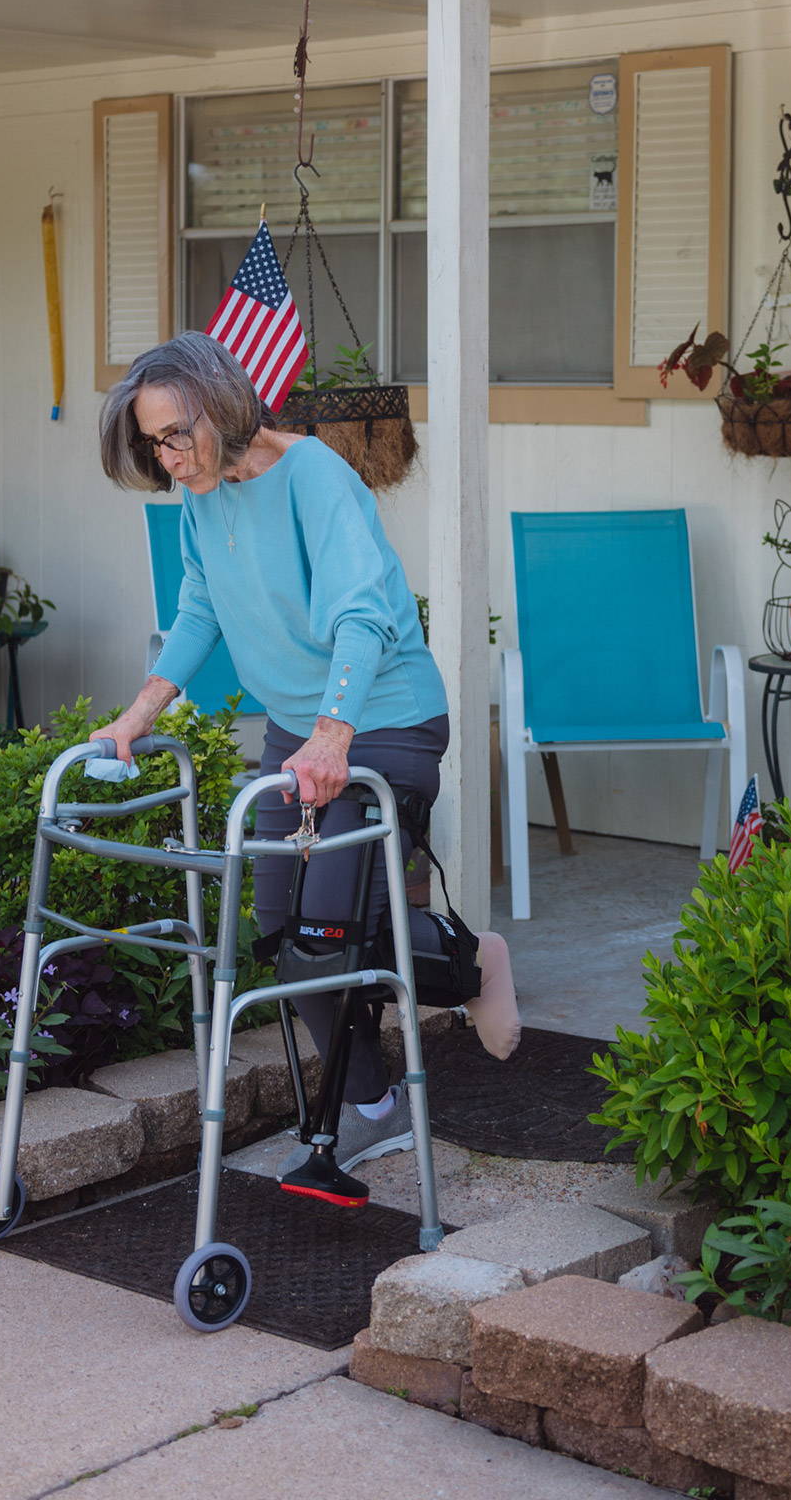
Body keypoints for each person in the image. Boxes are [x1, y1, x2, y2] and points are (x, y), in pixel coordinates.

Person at [95, 332, 520, 1208]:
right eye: (154, 444)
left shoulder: (316, 476)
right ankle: (373, 1100)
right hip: (300, 726)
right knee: (285, 932)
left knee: (332, 936)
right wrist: (136, 718)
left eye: (177, 434)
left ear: (222, 406)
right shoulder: (202, 495)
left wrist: (334, 735)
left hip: (385, 718)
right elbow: (201, 607)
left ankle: (475, 965)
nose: (168, 458)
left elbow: (364, 613)